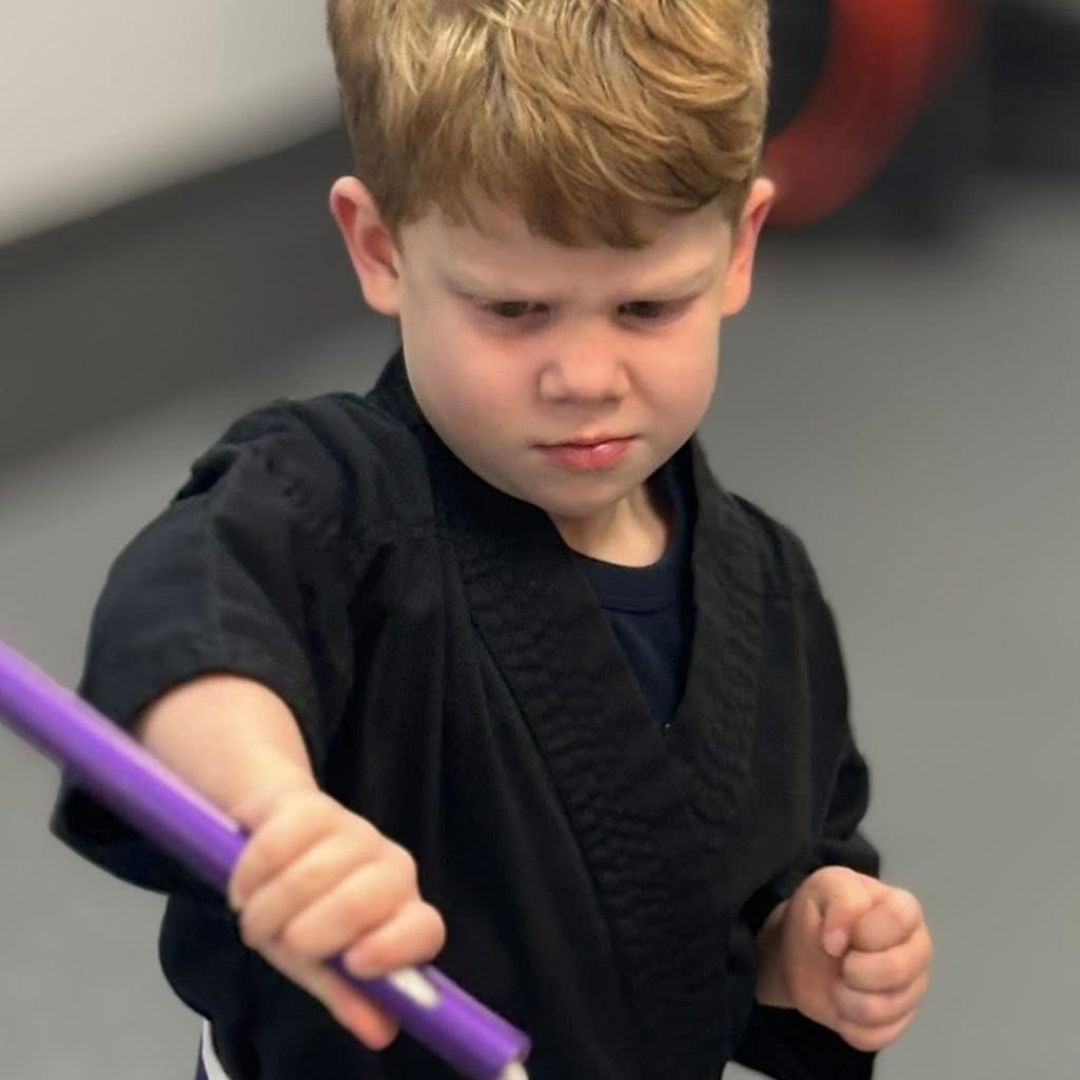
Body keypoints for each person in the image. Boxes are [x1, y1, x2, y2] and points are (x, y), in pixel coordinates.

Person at [51, 2, 933, 1078]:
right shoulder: (328, 496)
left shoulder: (768, 585)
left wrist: (799, 944)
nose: (585, 377)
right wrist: (273, 812)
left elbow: (758, 880)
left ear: (739, 248)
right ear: (380, 248)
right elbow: (192, 623)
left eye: (649, 308)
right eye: (514, 310)